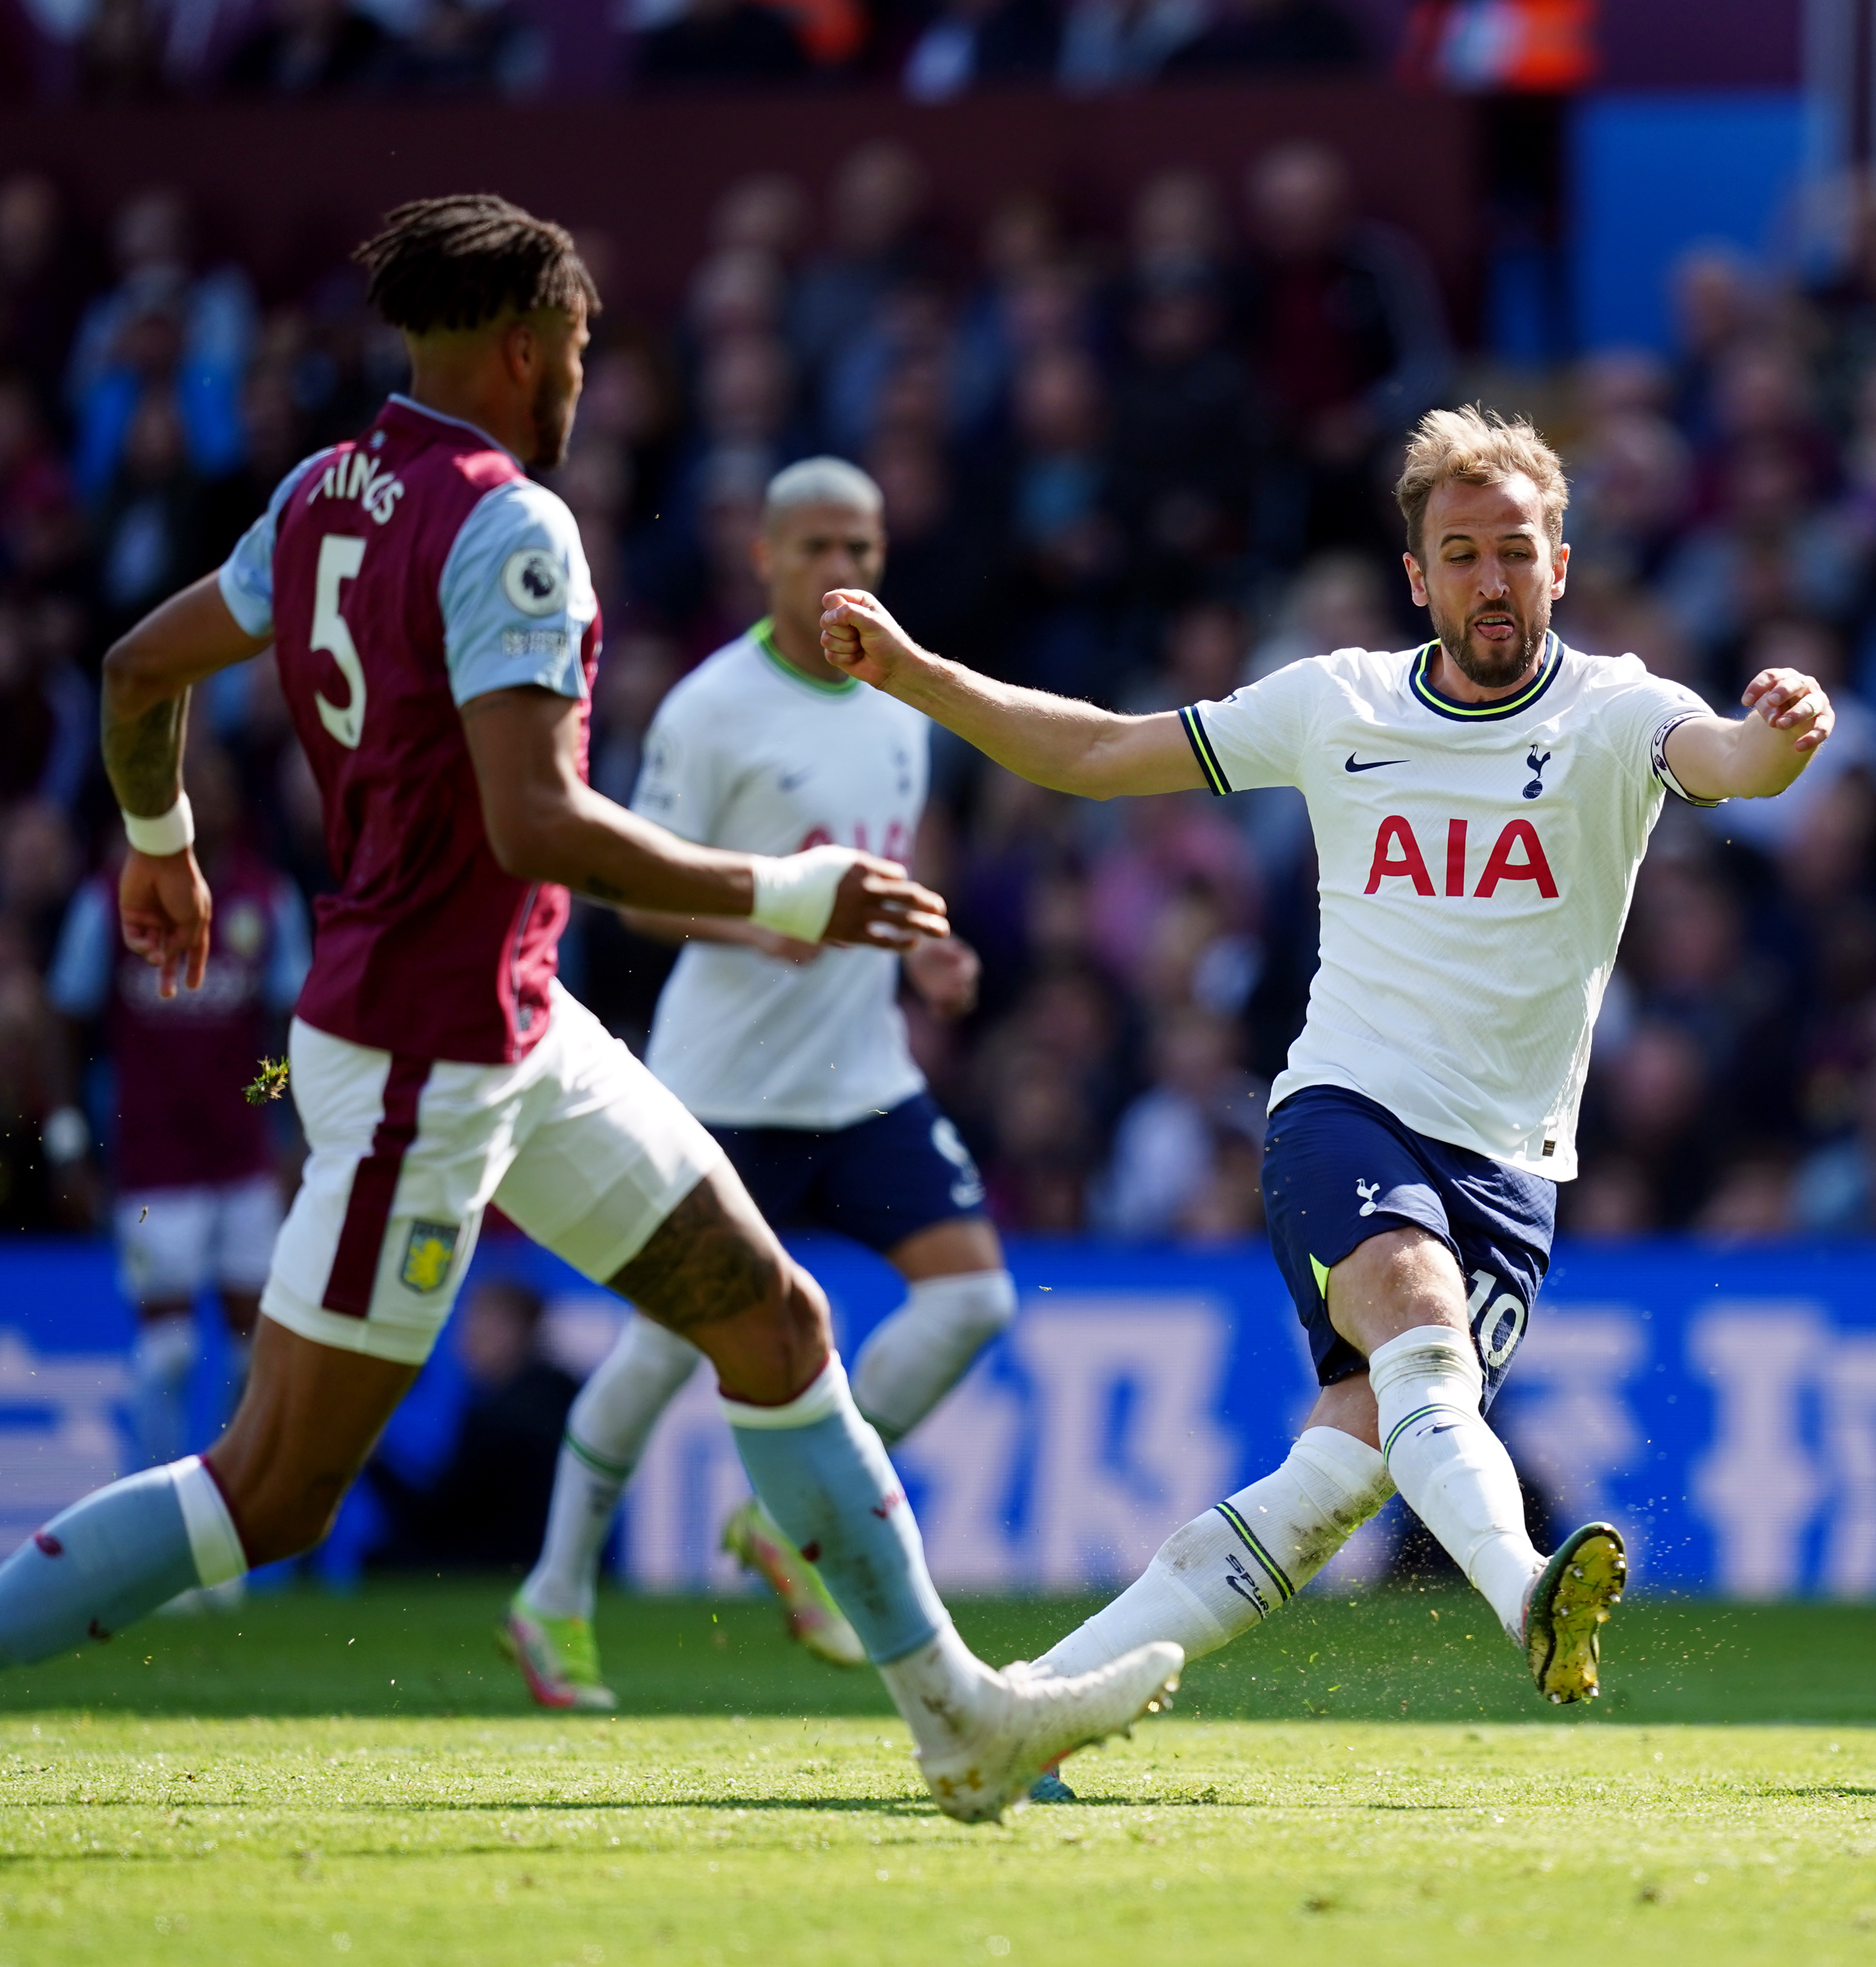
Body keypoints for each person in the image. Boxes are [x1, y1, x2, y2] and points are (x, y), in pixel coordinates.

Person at [0, 196, 1181, 1823]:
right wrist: (789, 889)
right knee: (269, 1491)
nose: (584, 381)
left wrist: (161, 842)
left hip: (516, 1022)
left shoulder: (321, 494)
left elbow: (141, 668)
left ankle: (958, 1716)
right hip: (424, 1057)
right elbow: (532, 824)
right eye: (575, 349)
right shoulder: (512, 524)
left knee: (775, 1324)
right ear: (520, 345)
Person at [817, 404, 1834, 1711]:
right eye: (1461, 555)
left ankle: (1028, 1702)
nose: (1491, 581)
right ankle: (1524, 1586)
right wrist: (912, 672)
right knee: (1414, 1321)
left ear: (1560, 566)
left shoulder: (1614, 712)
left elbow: (1731, 763)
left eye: (1517, 552)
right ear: (1418, 578)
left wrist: (1783, 732)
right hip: (1344, 1112)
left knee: (1333, 1480)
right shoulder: (1332, 701)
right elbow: (1089, 749)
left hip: (1513, 1171)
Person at [500, 455, 1014, 1710]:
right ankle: (554, 1593)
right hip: (722, 1085)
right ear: (768, 560)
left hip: (862, 1080)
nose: (844, 574)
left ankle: (789, 1524)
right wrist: (757, 925)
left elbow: (886, 879)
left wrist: (927, 951)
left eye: (865, 552)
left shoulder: (902, 703)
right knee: (672, 1348)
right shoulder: (708, 708)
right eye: (820, 550)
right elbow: (624, 886)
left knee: (974, 1304)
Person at [46, 739, 307, 1471]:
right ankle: (157, 1513)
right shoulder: (113, 899)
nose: (205, 799)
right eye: (189, 785)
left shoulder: (267, 901)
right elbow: (69, 1023)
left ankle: (223, 1506)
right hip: (152, 1164)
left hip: (243, 1162)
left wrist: (268, 1110)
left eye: (217, 784)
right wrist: (70, 1140)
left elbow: (284, 1033)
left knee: (248, 1350)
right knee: (168, 1354)